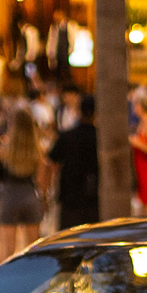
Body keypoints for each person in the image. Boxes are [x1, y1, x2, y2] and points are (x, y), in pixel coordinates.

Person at [0, 106, 49, 260]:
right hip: (30, 195)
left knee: (8, 251)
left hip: (8, 195)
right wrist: (44, 197)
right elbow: (41, 179)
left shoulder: (6, 148)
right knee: (34, 249)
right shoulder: (37, 148)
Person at [47, 92, 101, 231]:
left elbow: (51, 161)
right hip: (94, 197)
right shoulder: (101, 139)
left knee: (69, 237)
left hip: (70, 196)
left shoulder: (67, 136)